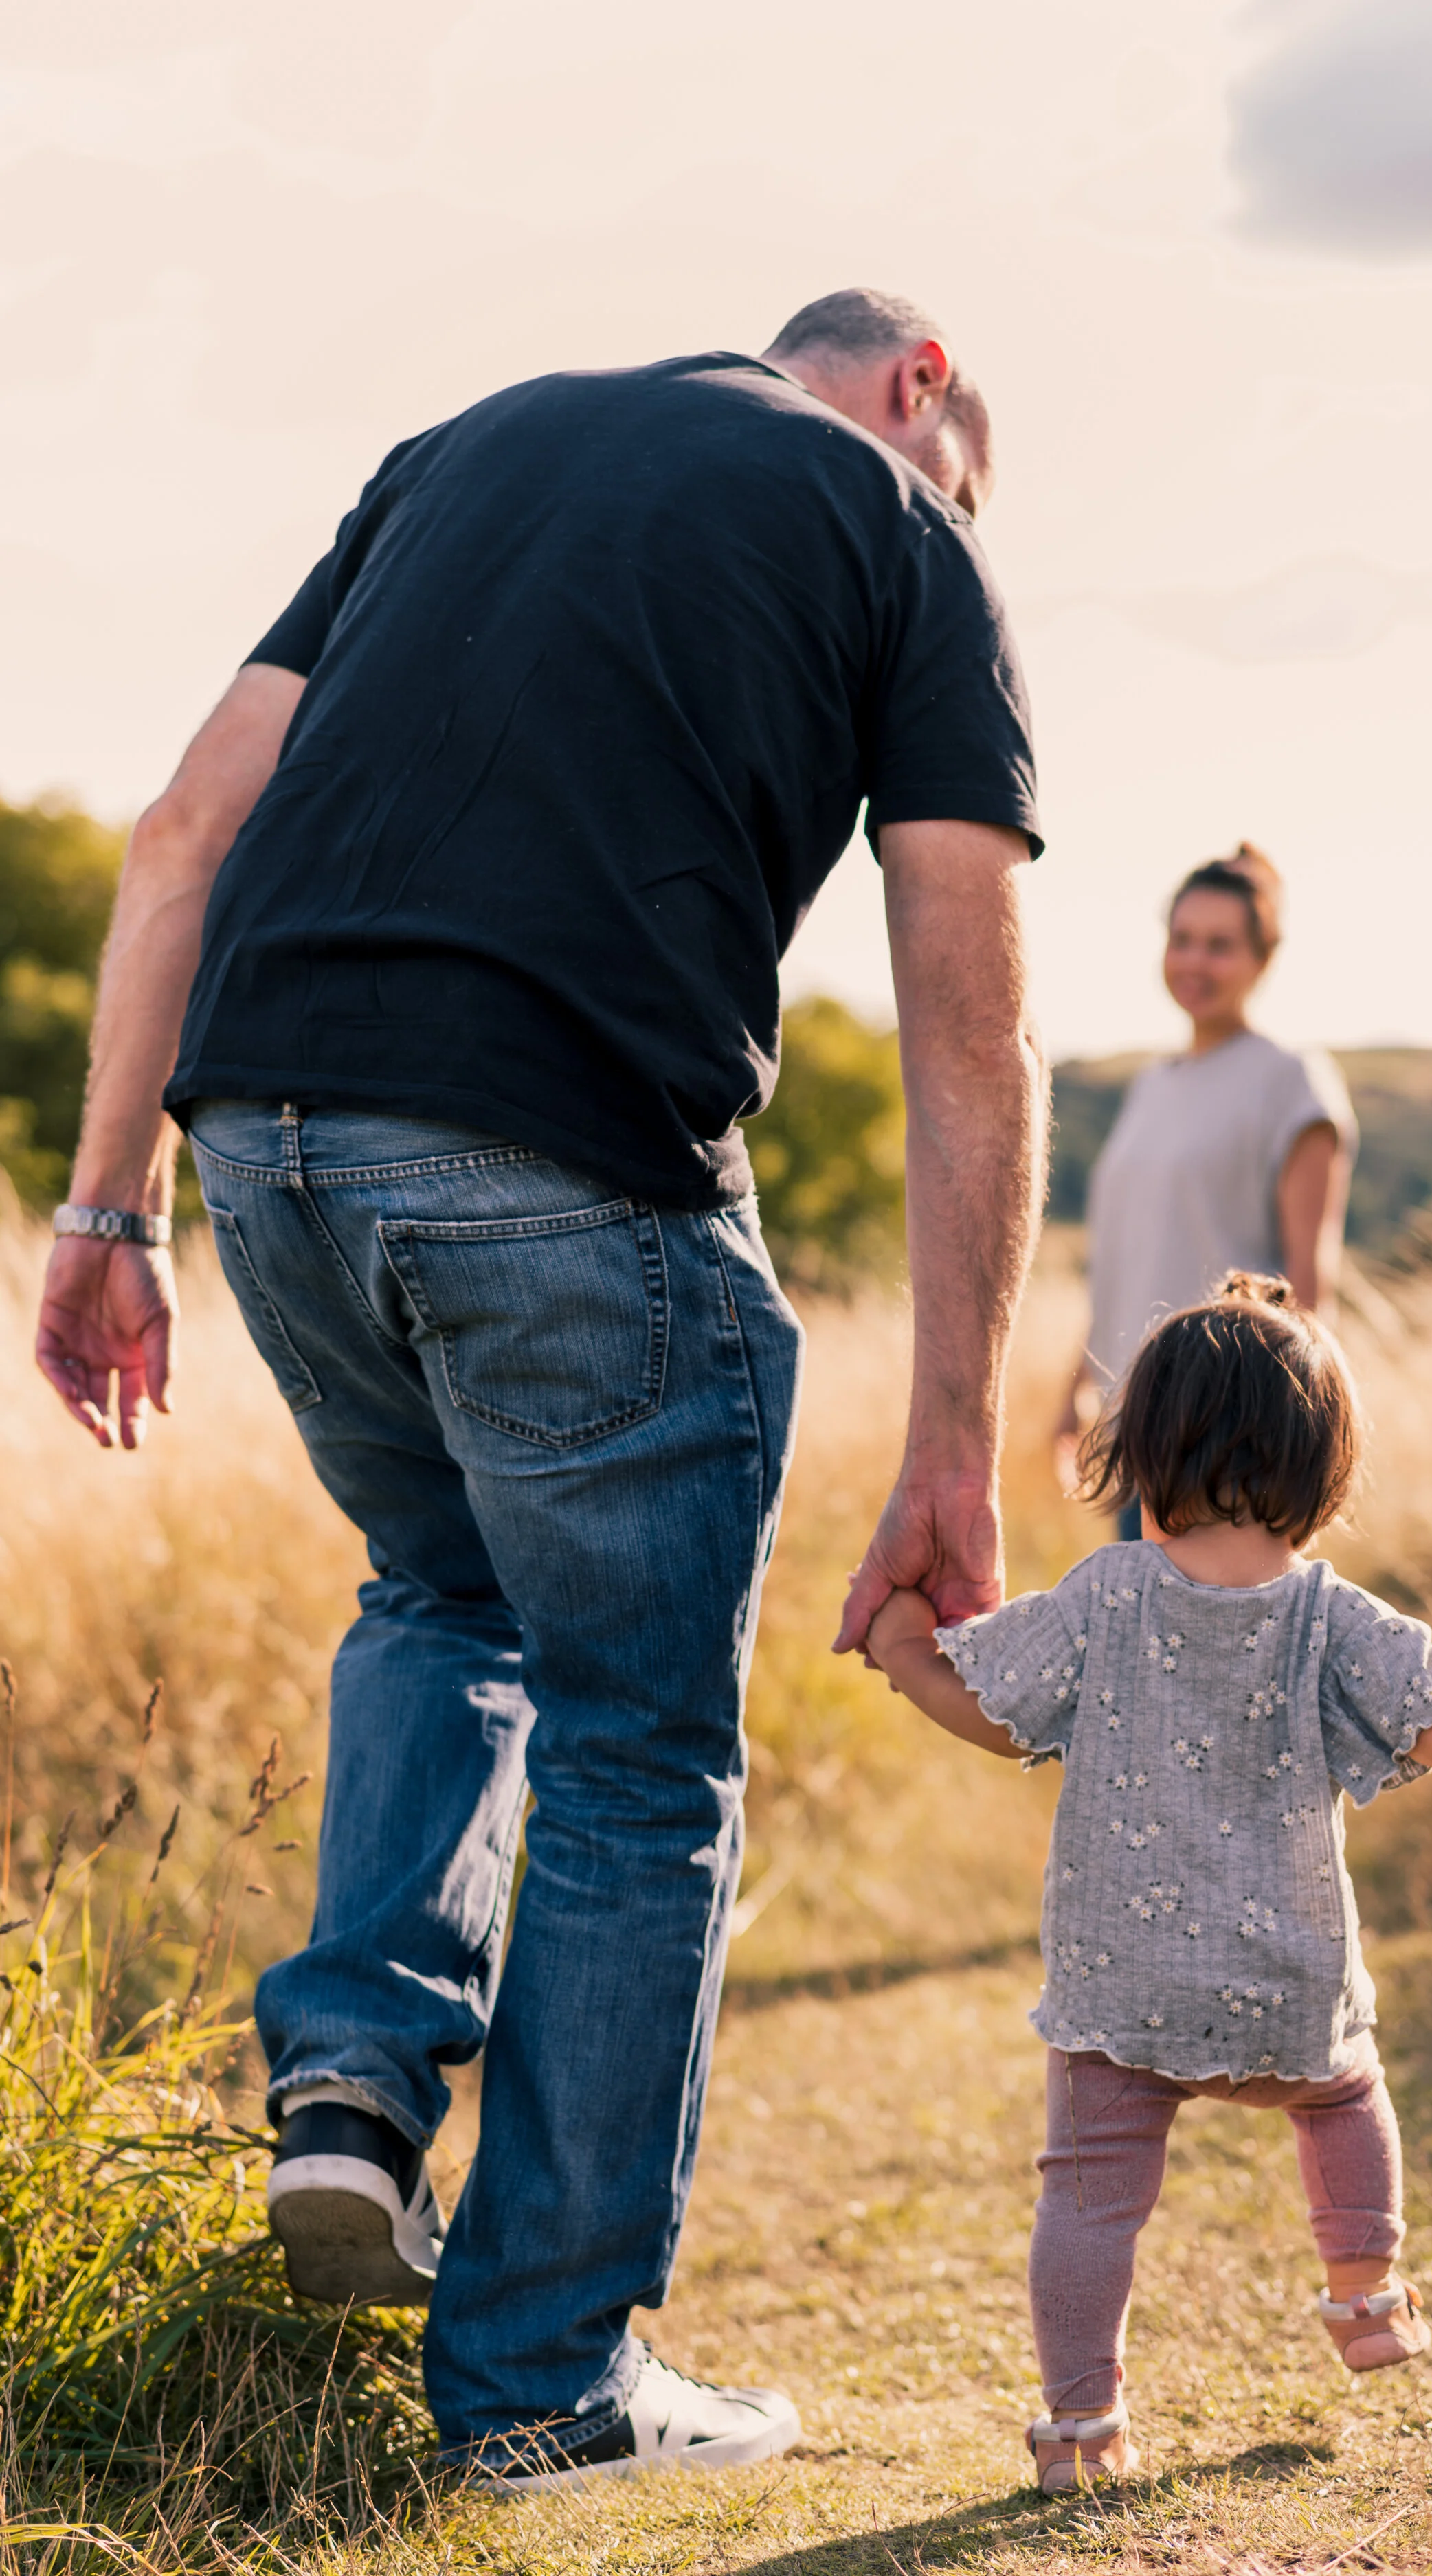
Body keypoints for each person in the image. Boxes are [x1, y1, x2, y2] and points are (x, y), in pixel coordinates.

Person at [34, 289, 1048, 2487]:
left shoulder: (460, 448)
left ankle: (357, 2089)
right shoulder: (903, 527)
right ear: (917, 381)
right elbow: (966, 1017)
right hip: (565, 1165)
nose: (953, 499)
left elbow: (182, 830)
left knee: (439, 1589)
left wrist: (104, 1208)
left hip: (269, 1144)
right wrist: (953, 1439)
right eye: (959, 461)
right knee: (638, 1752)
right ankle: (540, 2387)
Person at [867, 1274, 1432, 2494]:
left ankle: (1081, 2428)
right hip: (1288, 1980)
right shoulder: (1328, 1615)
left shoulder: (1105, 1595)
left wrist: (903, 1649)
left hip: (1117, 1991)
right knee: (1344, 2099)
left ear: (1138, 1449)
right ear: (1325, 1466)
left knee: (1086, 2199)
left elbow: (988, 1711)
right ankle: (1367, 2299)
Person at [1055, 846, 1356, 1524]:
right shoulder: (1150, 1085)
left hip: (1223, 1438)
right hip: (1130, 1426)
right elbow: (1126, 1259)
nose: (1194, 962)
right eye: (1182, 939)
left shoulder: (1292, 1082)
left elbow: (1309, 1286)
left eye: (1219, 946)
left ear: (1262, 960)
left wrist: (1299, 1453)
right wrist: (1073, 1392)